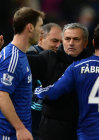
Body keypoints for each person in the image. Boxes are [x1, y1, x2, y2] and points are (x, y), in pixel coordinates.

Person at [27, 22, 99, 140]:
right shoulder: (48, 58)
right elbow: (22, 63)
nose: (71, 43)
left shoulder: (84, 64)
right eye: (67, 39)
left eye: (76, 39)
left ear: (87, 43)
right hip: (54, 131)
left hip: (83, 131)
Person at [0, 7, 45, 140]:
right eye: (40, 26)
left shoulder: (20, 55)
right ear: (30, 27)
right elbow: (2, 95)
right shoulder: (12, 58)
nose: (41, 31)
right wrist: (20, 128)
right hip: (10, 134)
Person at [27, 23, 62, 140]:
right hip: (29, 127)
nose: (58, 45)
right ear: (41, 38)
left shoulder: (55, 60)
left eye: (61, 42)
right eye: (55, 41)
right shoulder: (29, 58)